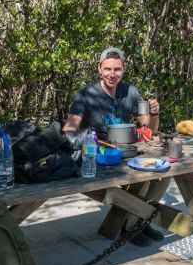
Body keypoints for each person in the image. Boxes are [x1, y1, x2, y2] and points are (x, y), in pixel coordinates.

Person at [63, 47, 164, 246]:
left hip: (127, 151)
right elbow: (69, 128)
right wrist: (82, 142)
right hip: (100, 156)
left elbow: (148, 129)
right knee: (142, 179)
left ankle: (137, 222)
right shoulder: (86, 94)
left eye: (117, 69)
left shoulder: (131, 92)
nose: (112, 74)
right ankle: (134, 225)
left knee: (162, 175)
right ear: (100, 69)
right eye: (108, 69)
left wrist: (154, 114)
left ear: (123, 69)